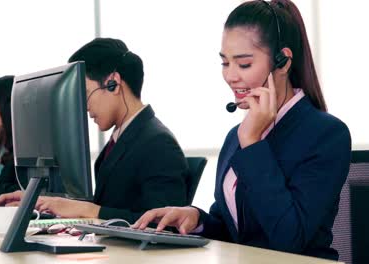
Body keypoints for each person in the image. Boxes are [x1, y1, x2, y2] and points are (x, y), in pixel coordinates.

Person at [133, 0, 351, 260]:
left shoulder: (326, 135)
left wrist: (252, 142)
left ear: (282, 62)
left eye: (244, 64)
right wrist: (196, 219)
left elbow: (289, 238)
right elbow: (234, 227)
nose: (231, 77)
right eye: (225, 63)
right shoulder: (238, 135)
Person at [0, 38, 189, 223]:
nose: (83, 107)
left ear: (113, 83)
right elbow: (113, 206)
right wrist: (39, 199)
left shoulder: (158, 143)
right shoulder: (122, 139)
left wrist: (90, 210)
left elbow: (163, 224)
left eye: (84, 94)